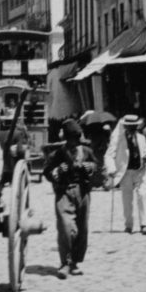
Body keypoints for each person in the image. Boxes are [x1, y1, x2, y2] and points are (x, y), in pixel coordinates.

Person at [43, 117, 99, 277]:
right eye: (71, 139)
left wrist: (91, 167)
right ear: (66, 139)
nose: (74, 143)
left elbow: (97, 169)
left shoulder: (87, 152)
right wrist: (57, 171)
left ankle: (75, 262)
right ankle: (64, 262)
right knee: (66, 227)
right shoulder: (58, 153)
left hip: (83, 193)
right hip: (64, 192)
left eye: (76, 139)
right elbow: (47, 171)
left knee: (82, 229)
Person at [105, 112, 146, 234]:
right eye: (130, 126)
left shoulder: (141, 138)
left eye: (134, 126)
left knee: (142, 195)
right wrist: (111, 169)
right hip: (126, 172)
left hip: (140, 171)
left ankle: (144, 224)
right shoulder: (118, 139)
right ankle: (128, 225)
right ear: (125, 126)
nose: (132, 128)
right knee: (127, 199)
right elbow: (109, 155)